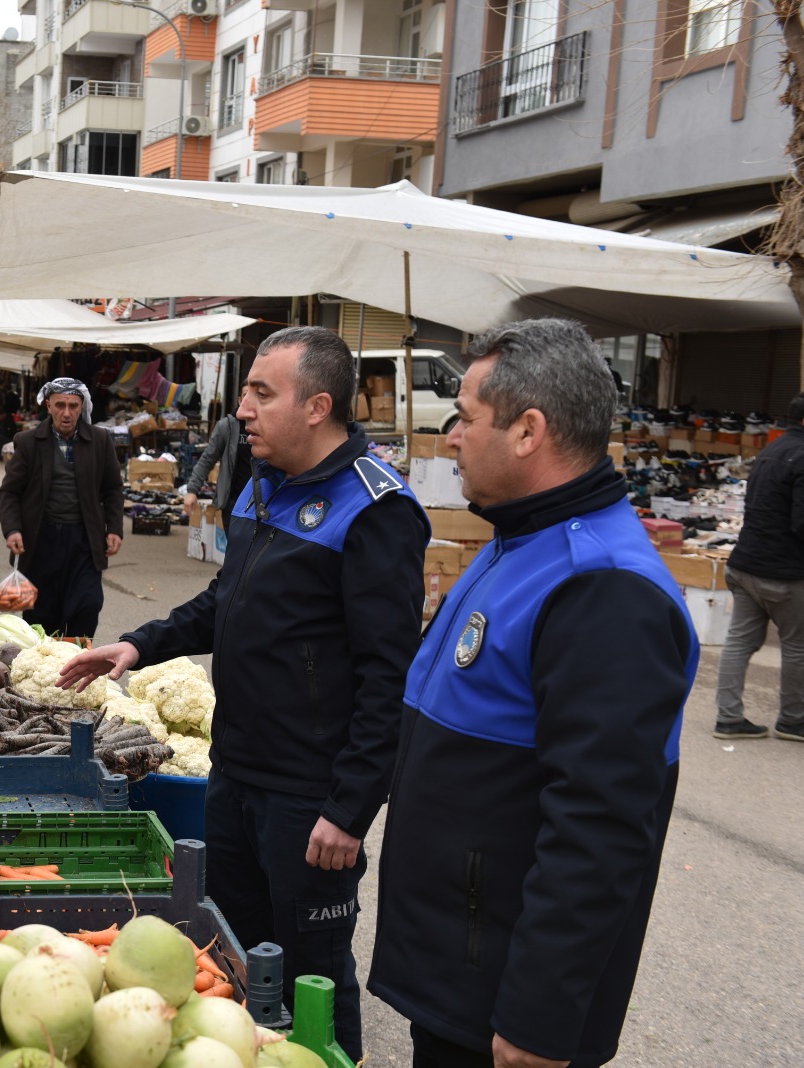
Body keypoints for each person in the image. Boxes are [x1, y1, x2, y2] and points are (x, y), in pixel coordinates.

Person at [57, 327, 429, 1062]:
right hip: (235, 775)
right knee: (233, 955)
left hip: (308, 798)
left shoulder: (375, 509)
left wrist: (349, 809)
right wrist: (140, 643)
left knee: (313, 977)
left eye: (262, 393)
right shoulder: (263, 483)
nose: (243, 410)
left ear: (317, 406)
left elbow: (391, 676)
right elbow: (225, 601)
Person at [367, 319, 698, 1068]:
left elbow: (600, 824)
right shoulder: (521, 540)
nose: (452, 436)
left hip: (504, 1008)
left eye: (466, 417)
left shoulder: (602, 588)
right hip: (459, 972)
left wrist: (537, 1019)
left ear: (528, 431)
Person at [0, 378, 125, 642]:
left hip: (84, 540)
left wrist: (114, 529)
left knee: (87, 605)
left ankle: (78, 658)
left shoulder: (100, 440)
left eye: (73, 406)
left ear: (81, 407)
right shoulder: (28, 442)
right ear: (48, 406)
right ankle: (45, 661)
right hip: (42, 540)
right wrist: (12, 529)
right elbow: (9, 492)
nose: (66, 413)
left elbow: (113, 489)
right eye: (60, 405)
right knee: (42, 615)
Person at [712, 393, 804, 741]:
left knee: (739, 642)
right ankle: (793, 720)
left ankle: (728, 717)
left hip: (745, 564)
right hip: (784, 573)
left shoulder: (770, 451)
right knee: (797, 646)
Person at [182, 410, 250, 520]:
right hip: (232, 503)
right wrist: (192, 491)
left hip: (261, 503)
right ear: (239, 401)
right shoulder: (226, 426)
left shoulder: (265, 425)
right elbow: (207, 459)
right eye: (243, 399)